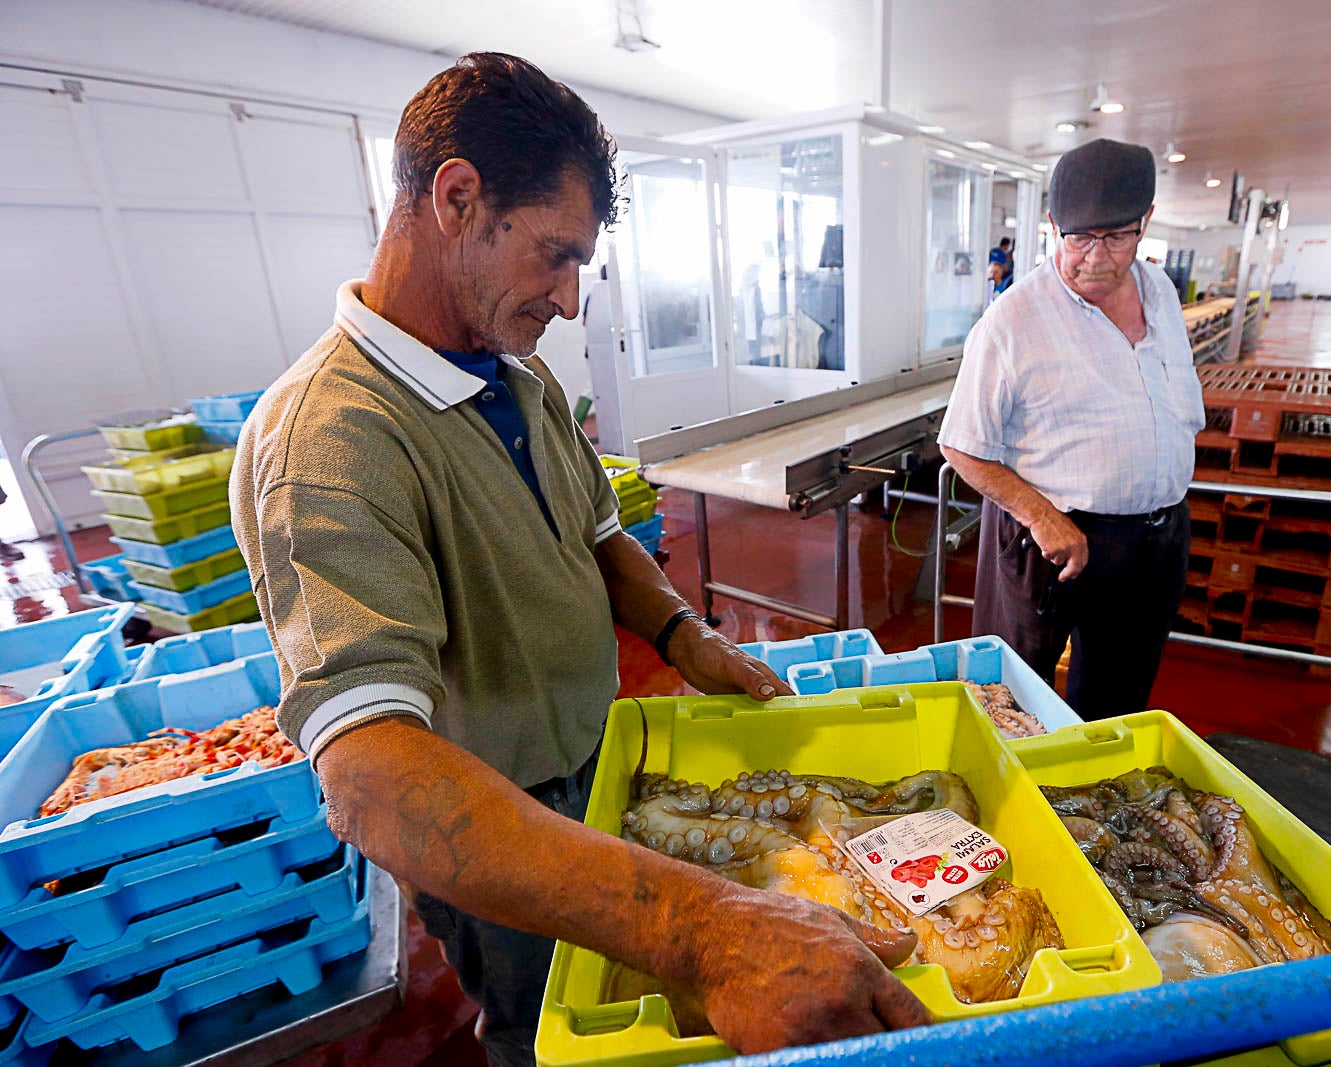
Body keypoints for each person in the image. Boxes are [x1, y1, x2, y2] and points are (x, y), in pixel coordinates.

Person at [231, 54, 928, 1066]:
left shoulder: (519, 380)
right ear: (458, 197)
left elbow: (598, 535)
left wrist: (682, 634)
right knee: (544, 1032)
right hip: (497, 840)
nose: (567, 301)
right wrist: (706, 927)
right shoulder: (329, 440)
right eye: (554, 256)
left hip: (599, 770)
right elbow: (372, 777)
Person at [939, 138, 1203, 719]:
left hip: (1155, 540)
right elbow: (961, 444)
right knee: (1014, 699)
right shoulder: (1014, 319)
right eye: (1078, 237)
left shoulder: (1160, 292)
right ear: (1054, 225)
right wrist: (1041, 517)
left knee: (1120, 699)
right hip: (1055, 541)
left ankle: (1092, 798)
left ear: (1144, 224)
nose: (1094, 257)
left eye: (1115, 238)